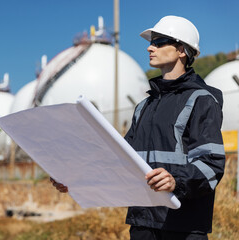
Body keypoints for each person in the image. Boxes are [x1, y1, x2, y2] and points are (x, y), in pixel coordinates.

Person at [51, 15, 225, 240]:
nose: (150, 48)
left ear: (182, 50)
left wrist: (176, 180)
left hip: (183, 225)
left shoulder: (201, 99)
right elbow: (119, 159)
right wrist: (74, 178)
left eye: (159, 42)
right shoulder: (145, 106)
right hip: (143, 221)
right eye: (151, 42)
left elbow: (211, 164)